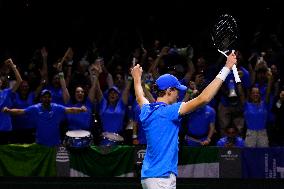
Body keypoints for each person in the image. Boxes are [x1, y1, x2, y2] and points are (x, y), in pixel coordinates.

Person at [131, 51, 237, 189]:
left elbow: (140, 96)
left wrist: (136, 78)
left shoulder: (147, 110)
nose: (178, 95)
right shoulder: (170, 111)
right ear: (169, 91)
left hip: (148, 177)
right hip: (161, 178)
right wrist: (227, 68)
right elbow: (203, 98)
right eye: (177, 91)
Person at [2, 89, 87, 147]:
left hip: (55, 145)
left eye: (48, 97)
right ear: (41, 98)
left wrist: (80, 109)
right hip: (40, 145)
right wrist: (9, 111)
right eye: (44, 97)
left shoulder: (57, 107)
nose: (47, 99)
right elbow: (21, 111)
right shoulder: (35, 108)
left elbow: (70, 109)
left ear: (51, 98)